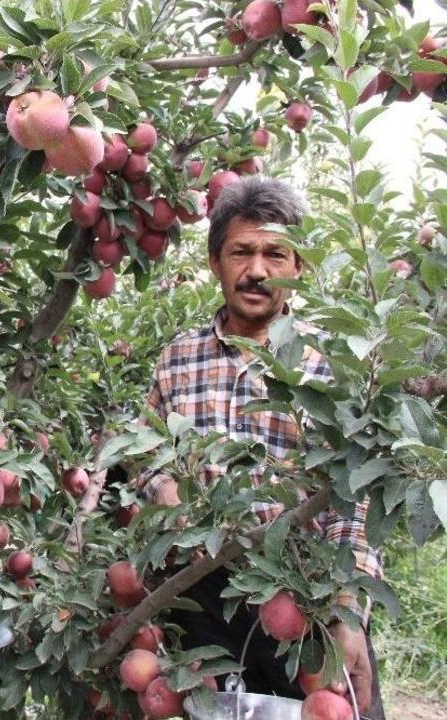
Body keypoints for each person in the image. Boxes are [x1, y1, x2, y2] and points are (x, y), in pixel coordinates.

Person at [137, 176, 384, 718]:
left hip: (305, 600)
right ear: (214, 262)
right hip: (204, 602)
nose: (256, 271)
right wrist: (166, 489)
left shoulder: (332, 366)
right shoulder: (177, 359)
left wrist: (346, 607)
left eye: (275, 254)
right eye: (240, 252)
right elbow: (146, 457)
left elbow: (356, 498)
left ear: (300, 266)